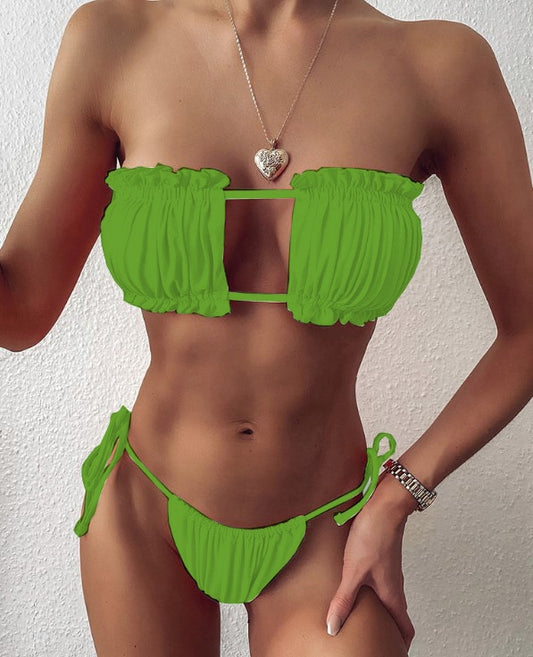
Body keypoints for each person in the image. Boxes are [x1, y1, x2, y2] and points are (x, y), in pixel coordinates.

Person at [1, 0, 532, 655]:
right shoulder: (112, 39)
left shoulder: (437, 64)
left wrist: (400, 494)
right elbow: (21, 314)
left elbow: (527, 330)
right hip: (146, 510)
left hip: (329, 525)